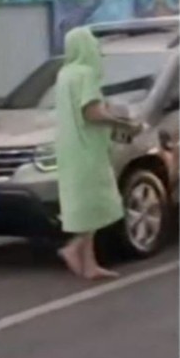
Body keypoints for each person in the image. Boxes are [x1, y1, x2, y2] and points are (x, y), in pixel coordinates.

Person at [55, 27, 143, 280]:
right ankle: (74, 249)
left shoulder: (64, 74)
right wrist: (124, 125)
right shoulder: (87, 74)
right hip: (88, 148)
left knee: (86, 205)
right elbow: (91, 112)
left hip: (70, 147)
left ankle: (88, 262)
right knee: (101, 201)